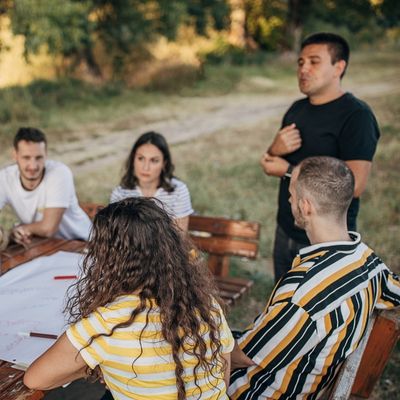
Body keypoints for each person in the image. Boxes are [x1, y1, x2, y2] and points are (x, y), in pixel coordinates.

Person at [24, 197, 234, 400]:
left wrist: (95, 369)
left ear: (109, 259)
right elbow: (223, 372)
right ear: (170, 248)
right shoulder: (204, 304)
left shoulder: (106, 324)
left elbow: (35, 380)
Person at [228, 156, 400, 400]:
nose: (289, 200)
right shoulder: (366, 260)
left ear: (306, 206)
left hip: (251, 392)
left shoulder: (302, 293)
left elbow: (241, 356)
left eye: (290, 194)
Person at [260, 32, 380, 282]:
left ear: (339, 67)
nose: (304, 69)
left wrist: (289, 171)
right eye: (301, 62)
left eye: (314, 62)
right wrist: (274, 147)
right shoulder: (296, 109)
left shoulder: (356, 116)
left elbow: (355, 185)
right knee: (283, 305)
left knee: (321, 314)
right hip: (286, 227)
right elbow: (272, 161)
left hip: (327, 239)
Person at [0, 128, 91, 245]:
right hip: (43, 245)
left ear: (46, 155)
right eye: (26, 158)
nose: (33, 166)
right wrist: (6, 234)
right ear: (15, 155)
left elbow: (48, 228)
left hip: (82, 243)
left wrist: (22, 228)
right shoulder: (4, 177)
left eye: (39, 157)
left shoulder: (59, 173)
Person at [110, 131, 193, 232]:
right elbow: (117, 234)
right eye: (141, 158)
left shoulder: (178, 191)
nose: (146, 167)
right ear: (133, 159)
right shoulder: (120, 193)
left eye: (154, 160)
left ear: (164, 163)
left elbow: (180, 237)